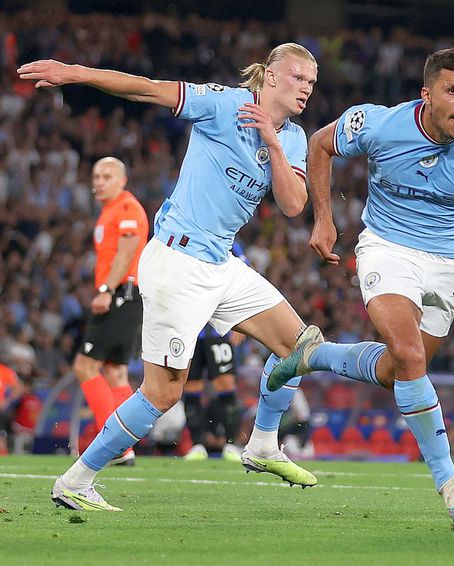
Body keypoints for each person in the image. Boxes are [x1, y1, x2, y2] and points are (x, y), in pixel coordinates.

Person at [19, 42, 321, 512]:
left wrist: (274, 143)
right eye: (300, 78)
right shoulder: (224, 104)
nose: (306, 89)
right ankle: (76, 480)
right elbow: (147, 90)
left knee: (300, 346)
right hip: (177, 263)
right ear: (274, 76)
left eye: (311, 83)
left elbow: (294, 204)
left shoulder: (294, 138)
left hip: (222, 264)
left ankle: (263, 444)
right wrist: (75, 72)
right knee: (162, 392)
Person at [271, 48, 454, 524]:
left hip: (447, 264)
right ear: (427, 94)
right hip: (386, 249)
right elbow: (318, 143)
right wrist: (324, 218)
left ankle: (315, 355)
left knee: (401, 370)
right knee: (412, 356)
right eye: (452, 91)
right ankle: (451, 485)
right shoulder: (379, 124)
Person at [74, 156, 147, 466]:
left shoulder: (126, 208)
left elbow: (129, 247)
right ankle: (125, 444)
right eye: (96, 176)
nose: (99, 182)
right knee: (116, 373)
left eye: (107, 176)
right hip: (127, 297)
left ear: (122, 180)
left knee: (85, 366)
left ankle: (116, 444)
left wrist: (106, 289)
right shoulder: (109, 211)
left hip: (120, 295)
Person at [183, 243, 250, 463]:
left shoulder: (229, 243)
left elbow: (244, 279)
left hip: (218, 327)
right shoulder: (186, 241)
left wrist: (238, 320)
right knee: (190, 386)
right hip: (190, 327)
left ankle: (230, 443)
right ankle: (198, 444)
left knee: (225, 384)